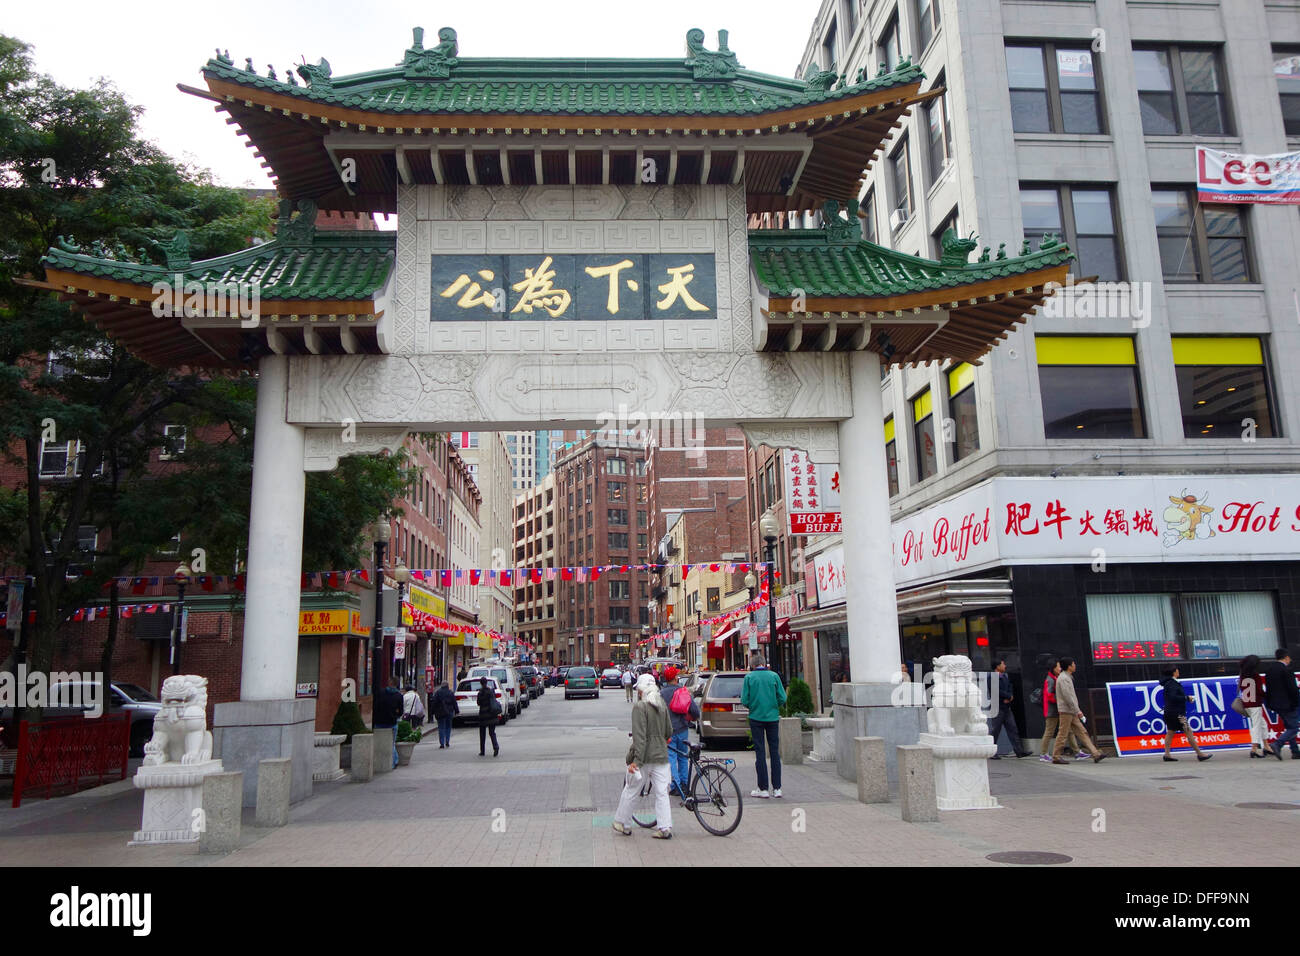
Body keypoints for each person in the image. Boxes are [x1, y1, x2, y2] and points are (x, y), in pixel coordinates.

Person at [612, 673, 675, 839]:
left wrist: (636, 761)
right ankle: (665, 827)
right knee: (662, 793)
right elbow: (669, 731)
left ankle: (623, 823)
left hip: (645, 757)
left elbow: (639, 738)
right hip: (662, 755)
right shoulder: (661, 704)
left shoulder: (640, 707)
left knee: (632, 789)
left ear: (640, 690)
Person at [740, 651, 787, 798]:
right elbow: (783, 697)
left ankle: (763, 788)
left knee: (760, 752)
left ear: (753, 665)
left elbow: (744, 700)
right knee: (774, 752)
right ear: (764, 664)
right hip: (772, 717)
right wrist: (774, 706)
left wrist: (753, 706)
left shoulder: (749, 677)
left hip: (756, 717)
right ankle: (777, 788)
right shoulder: (773, 676)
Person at [1051, 658, 1105, 764]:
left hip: (1070, 710)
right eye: (1073, 664)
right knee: (1063, 733)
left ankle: (1095, 753)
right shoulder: (1064, 679)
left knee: (1081, 732)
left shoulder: (1066, 677)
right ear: (1069, 666)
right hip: (1067, 711)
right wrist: (1078, 711)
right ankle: (1056, 756)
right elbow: (1068, 697)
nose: (1075, 665)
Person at [659, 665, 701, 797]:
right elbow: (695, 711)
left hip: (668, 731)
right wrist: (692, 719)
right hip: (682, 729)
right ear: (676, 678)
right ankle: (684, 784)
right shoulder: (683, 691)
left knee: (671, 757)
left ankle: (675, 785)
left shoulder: (661, 694)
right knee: (683, 756)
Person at [1039, 660, 1090, 762]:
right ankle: (1043, 754)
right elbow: (1049, 695)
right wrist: (1060, 699)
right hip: (1052, 711)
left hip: (1059, 710)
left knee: (1069, 731)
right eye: (1058, 667)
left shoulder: (1056, 678)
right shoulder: (1050, 679)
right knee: (1049, 732)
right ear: (1053, 668)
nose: (1060, 668)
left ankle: (1077, 752)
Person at [1159, 667, 1211, 762]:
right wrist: (1186, 698)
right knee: (1188, 731)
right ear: (1174, 672)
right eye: (1177, 670)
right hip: (1178, 713)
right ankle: (1200, 754)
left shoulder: (1167, 683)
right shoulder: (1173, 684)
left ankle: (1167, 754)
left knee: (1170, 732)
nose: (1179, 671)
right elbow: (1173, 697)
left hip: (1169, 712)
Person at [988, 659, 1032, 758]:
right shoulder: (992, 677)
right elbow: (995, 691)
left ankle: (1019, 751)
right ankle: (991, 752)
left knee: (1013, 728)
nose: (1005, 666)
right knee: (995, 730)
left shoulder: (1004, 677)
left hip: (1006, 707)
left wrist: (1010, 696)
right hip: (997, 707)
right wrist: (1007, 696)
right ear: (997, 666)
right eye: (1003, 664)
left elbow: (1009, 687)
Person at [1262, 648, 1300, 760]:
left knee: (1289, 726)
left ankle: (1295, 751)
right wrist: (1296, 702)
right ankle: (1278, 744)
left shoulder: (1269, 670)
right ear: (1286, 657)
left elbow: (1268, 689)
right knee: (1294, 728)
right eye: (1289, 658)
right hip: (1288, 704)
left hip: (1276, 704)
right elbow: (1292, 689)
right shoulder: (1286, 670)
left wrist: (1269, 703)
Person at [1239, 655, 1268, 758]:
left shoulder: (1242, 675)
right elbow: (1259, 691)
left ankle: (1266, 746)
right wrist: (1268, 696)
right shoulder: (1256, 676)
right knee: (1256, 726)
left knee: (1263, 724)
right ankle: (1254, 748)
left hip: (1246, 703)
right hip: (1255, 704)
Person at [374, 682, 405, 769]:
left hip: (379, 721)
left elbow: (376, 706)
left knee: (379, 742)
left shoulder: (380, 693)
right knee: (392, 743)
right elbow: (401, 711)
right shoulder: (398, 696)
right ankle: (393, 762)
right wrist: (395, 715)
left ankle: (381, 762)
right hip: (392, 722)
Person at [430, 681, 458, 748]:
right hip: (449, 712)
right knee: (448, 727)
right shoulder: (450, 692)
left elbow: (434, 703)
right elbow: (454, 702)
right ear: (447, 686)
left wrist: (432, 712)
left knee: (441, 727)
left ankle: (442, 743)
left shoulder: (438, 693)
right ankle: (447, 741)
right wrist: (456, 711)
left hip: (440, 712)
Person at [476, 678, 500, 757]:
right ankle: (495, 747)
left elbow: (478, 703)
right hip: (491, 714)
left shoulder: (480, 692)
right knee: (492, 733)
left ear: (481, 683)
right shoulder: (490, 692)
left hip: (483, 715)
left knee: (482, 734)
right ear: (486, 683)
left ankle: (482, 751)